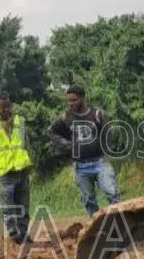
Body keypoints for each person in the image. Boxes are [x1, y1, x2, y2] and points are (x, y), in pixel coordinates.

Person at [49, 85, 120, 218]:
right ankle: (96, 225)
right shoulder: (66, 117)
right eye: (68, 101)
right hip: (81, 166)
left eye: (74, 100)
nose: (71, 104)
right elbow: (52, 132)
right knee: (88, 200)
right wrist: (68, 145)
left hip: (100, 162)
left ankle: (120, 221)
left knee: (111, 192)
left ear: (82, 98)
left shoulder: (97, 114)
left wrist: (103, 146)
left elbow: (109, 132)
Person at [0, 90, 32, 244]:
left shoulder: (19, 121)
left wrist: (31, 163)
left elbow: (26, 143)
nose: (6, 109)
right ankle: (13, 234)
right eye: (3, 107)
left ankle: (23, 233)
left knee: (23, 204)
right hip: (4, 172)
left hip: (22, 169)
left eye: (8, 106)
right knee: (8, 207)